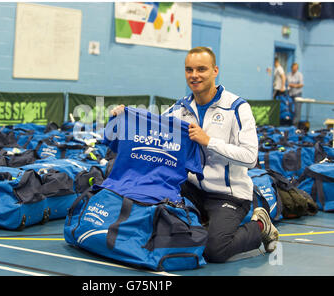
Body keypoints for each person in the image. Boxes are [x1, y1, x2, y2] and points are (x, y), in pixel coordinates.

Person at [112, 47, 279, 263]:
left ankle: (261, 226)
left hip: (229, 195)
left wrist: (209, 141)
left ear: (215, 70)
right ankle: (203, 222)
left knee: (215, 251)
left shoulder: (237, 108)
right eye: (189, 70)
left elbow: (250, 157)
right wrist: (126, 115)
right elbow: (153, 126)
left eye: (201, 69)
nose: (194, 75)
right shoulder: (180, 108)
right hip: (191, 189)